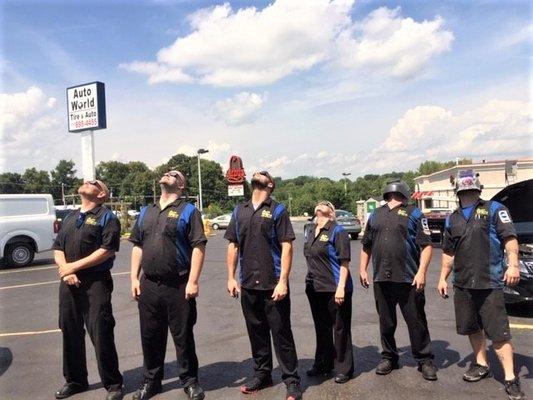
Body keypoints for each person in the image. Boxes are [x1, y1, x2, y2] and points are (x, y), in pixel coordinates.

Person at [437, 171, 525, 400]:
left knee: (499, 334)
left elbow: (510, 239)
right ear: (458, 191)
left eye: (470, 188)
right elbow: (448, 252)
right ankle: (481, 364)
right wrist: (442, 278)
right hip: (463, 284)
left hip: (490, 282)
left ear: (478, 189)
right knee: (472, 327)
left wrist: (513, 265)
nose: (467, 191)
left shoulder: (495, 209)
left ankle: (509, 378)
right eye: (464, 189)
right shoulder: (452, 218)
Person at [129, 170, 207, 400]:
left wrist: (192, 280)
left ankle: (190, 381)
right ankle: (151, 382)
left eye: (174, 174)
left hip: (178, 285)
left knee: (182, 336)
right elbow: (137, 246)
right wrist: (134, 277)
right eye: (166, 172)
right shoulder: (146, 211)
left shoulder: (189, 210)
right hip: (149, 285)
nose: (168, 174)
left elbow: (198, 246)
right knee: (150, 336)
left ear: (181, 185)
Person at [225, 171, 302, 400]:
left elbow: (287, 246)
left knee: (281, 334)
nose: (260, 173)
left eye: (265, 174)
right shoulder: (240, 210)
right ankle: (263, 375)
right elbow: (233, 245)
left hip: (273, 286)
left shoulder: (277, 210)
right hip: (248, 284)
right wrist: (230, 277)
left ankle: (292, 380)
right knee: (256, 333)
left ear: (270, 184)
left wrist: (283, 282)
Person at [359, 179, 437, 380]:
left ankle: (424, 359)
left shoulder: (414, 213)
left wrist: (421, 272)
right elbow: (366, 245)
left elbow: (426, 245)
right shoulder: (376, 214)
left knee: (416, 320)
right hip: (381, 278)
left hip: (408, 278)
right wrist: (362, 269)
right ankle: (389, 357)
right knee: (386, 322)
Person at [53, 180, 123, 400]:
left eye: (95, 183)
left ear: (102, 194)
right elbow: (57, 248)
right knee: (70, 330)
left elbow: (107, 251)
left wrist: (73, 267)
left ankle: (113, 384)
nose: (88, 182)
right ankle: (75, 380)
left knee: (100, 331)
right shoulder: (70, 217)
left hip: (96, 282)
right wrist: (67, 270)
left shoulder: (107, 217)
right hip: (68, 281)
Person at [304, 200, 354, 383]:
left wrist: (340, 287)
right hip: (315, 287)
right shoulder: (310, 230)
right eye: (319, 203)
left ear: (332, 213)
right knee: (321, 327)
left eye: (327, 204)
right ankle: (323, 363)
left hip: (336, 287)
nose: (321, 204)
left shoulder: (338, 231)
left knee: (340, 328)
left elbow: (344, 262)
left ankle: (344, 368)